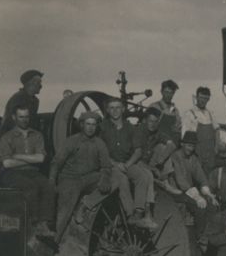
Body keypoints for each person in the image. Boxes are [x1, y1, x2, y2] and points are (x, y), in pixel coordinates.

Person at [49, 112, 117, 245]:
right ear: (82, 125)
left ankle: (85, 205)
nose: (90, 127)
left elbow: (106, 165)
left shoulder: (99, 143)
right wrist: (51, 180)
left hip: (89, 178)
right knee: (65, 210)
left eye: (93, 124)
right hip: (70, 179)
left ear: (97, 126)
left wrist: (105, 177)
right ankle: (54, 241)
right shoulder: (72, 141)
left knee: (116, 178)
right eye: (87, 124)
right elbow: (56, 162)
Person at [0, 103, 56, 243]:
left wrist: (16, 156)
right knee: (31, 187)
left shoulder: (37, 136)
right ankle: (33, 224)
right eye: (21, 117)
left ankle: (44, 224)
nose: (24, 120)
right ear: (14, 117)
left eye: (27, 117)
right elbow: (7, 163)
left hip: (33, 172)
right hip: (10, 174)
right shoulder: (6, 137)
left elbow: (41, 159)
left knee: (49, 186)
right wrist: (31, 160)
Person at [100, 97, 157, 230]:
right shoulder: (102, 127)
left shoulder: (130, 128)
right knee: (122, 179)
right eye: (112, 108)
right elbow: (100, 152)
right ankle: (130, 214)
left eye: (118, 107)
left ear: (123, 109)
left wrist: (128, 164)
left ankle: (138, 214)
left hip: (127, 163)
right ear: (107, 110)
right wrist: (114, 163)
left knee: (142, 176)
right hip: (110, 165)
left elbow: (138, 151)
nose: (115, 111)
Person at [169, 131, 218, 235]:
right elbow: (180, 180)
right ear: (182, 144)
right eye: (189, 145)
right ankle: (198, 236)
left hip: (189, 191)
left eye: (193, 146)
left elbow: (201, 177)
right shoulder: (175, 157)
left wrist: (209, 195)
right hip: (176, 191)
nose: (190, 149)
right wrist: (197, 197)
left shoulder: (193, 158)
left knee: (212, 206)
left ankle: (209, 233)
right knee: (199, 208)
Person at [182, 86, 226, 174]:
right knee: (197, 174)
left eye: (206, 98)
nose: (203, 100)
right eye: (201, 97)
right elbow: (184, 135)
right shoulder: (189, 113)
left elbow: (217, 130)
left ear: (208, 99)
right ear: (197, 97)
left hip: (210, 151)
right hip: (197, 150)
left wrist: (217, 147)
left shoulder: (210, 113)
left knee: (210, 174)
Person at [135, 107, 179, 195]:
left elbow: (172, 145)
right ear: (145, 120)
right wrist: (154, 169)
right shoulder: (138, 132)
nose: (153, 124)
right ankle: (156, 183)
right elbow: (137, 158)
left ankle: (166, 183)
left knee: (162, 147)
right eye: (151, 121)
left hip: (149, 162)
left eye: (156, 121)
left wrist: (162, 159)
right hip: (137, 163)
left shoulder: (157, 132)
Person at [1, 69, 43, 134]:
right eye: (38, 83)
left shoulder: (35, 100)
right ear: (29, 84)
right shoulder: (19, 98)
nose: (41, 86)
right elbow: (15, 123)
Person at [149, 79, 182, 144]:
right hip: (156, 144)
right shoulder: (154, 106)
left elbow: (178, 128)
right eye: (166, 92)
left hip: (171, 144)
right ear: (161, 92)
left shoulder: (175, 111)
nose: (168, 95)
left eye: (171, 93)